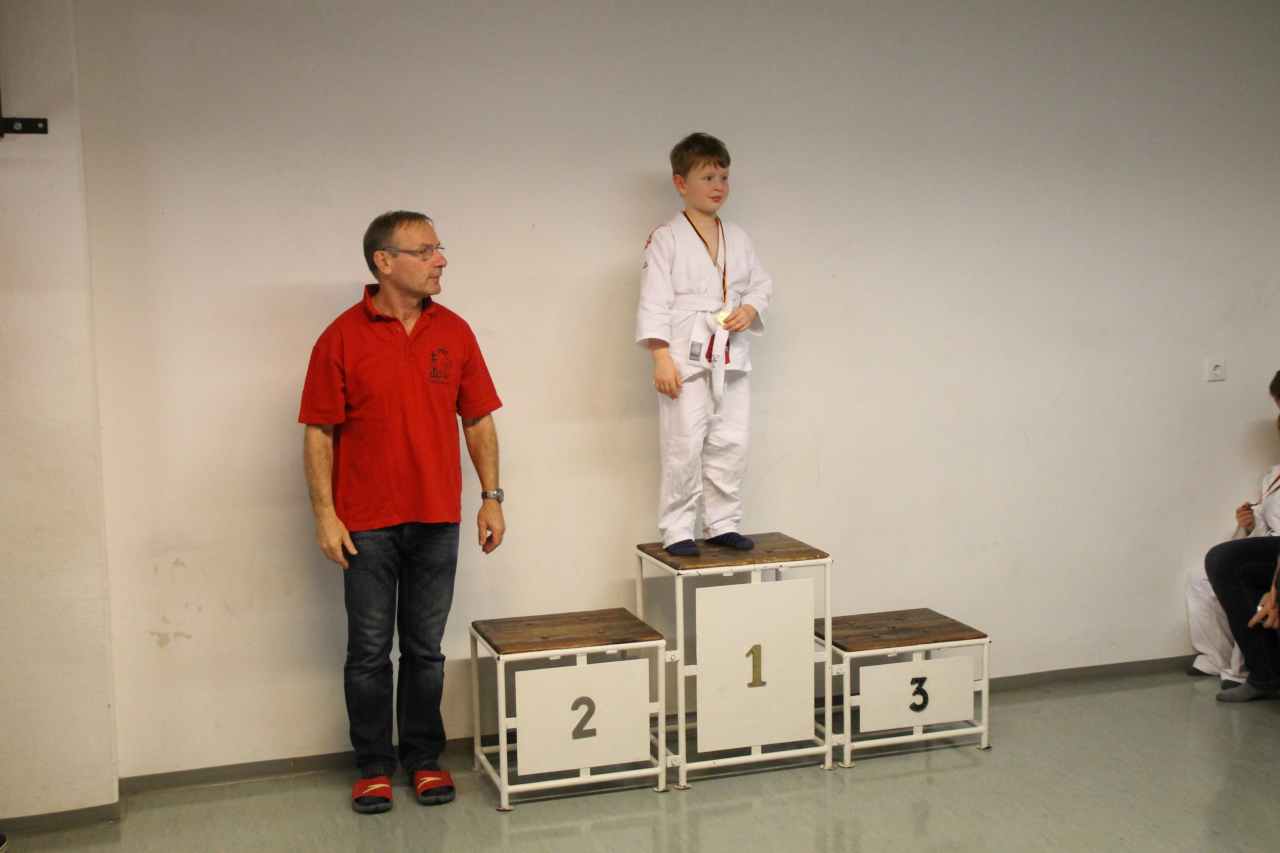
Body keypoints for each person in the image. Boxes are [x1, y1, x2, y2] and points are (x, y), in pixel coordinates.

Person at [299, 210, 506, 812]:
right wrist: (325, 515)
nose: (440, 260)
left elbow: (478, 418)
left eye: (439, 248)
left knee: (425, 650)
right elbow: (319, 432)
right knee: (368, 652)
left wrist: (492, 497)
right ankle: (372, 766)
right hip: (364, 524)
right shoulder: (340, 337)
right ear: (383, 261)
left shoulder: (455, 331)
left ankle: (423, 759)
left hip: (437, 517)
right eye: (425, 251)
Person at [634, 132, 773, 557]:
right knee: (684, 443)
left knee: (731, 441)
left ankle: (722, 522)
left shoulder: (739, 237)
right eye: (708, 177)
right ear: (681, 183)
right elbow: (654, 299)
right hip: (684, 354)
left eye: (724, 177)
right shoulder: (666, 237)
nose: (718, 186)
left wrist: (749, 309)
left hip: (730, 353)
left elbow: (761, 284)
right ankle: (677, 527)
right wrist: (660, 356)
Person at [1206, 370, 1280, 702]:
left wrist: (1276, 589)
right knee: (1232, 564)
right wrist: (1248, 525)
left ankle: (1265, 675)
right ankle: (1266, 673)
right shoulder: (1273, 476)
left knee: (1224, 559)